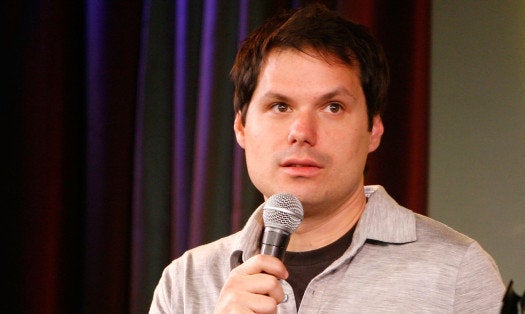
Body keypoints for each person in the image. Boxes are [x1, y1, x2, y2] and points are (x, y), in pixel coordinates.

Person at [150, 3, 505, 313]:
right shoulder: (187, 281)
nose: (302, 131)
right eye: (280, 106)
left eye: (333, 107)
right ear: (241, 127)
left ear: (374, 130)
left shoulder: (457, 269)